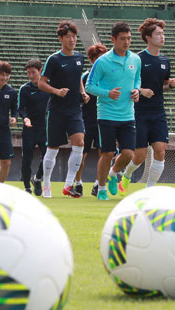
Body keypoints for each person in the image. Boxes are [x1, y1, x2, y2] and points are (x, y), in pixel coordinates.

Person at [85, 21, 141, 201]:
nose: (127, 42)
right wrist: (107, 93)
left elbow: (137, 80)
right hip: (107, 114)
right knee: (107, 153)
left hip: (127, 114)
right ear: (113, 39)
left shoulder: (135, 59)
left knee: (129, 153)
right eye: (123, 39)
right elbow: (89, 86)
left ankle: (113, 172)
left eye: (129, 38)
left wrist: (137, 91)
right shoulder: (102, 61)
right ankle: (101, 188)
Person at [121, 18, 175, 189]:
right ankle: (127, 174)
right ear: (147, 37)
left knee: (160, 151)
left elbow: (162, 84)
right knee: (139, 156)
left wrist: (169, 85)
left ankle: (149, 190)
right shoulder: (137, 59)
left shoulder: (165, 61)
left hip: (158, 111)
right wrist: (141, 90)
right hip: (139, 111)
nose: (162, 37)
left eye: (163, 33)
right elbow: (127, 83)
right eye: (158, 34)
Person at [39, 20, 90, 198]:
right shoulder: (54, 59)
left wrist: (83, 92)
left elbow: (77, 79)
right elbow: (41, 82)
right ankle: (46, 183)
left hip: (74, 109)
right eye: (68, 37)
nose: (72, 40)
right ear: (61, 38)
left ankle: (68, 185)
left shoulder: (79, 58)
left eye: (74, 37)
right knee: (53, 149)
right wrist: (56, 91)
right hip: (56, 110)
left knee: (80, 143)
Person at [75, 43, 107, 197]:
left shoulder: (109, 75)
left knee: (105, 153)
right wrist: (83, 98)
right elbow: (76, 97)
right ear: (93, 59)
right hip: (86, 119)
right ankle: (78, 183)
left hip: (103, 119)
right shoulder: (85, 77)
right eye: (99, 58)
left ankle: (97, 184)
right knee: (82, 153)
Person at [17, 59, 50, 195]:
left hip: (45, 129)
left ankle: (37, 178)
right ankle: (26, 188)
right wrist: (25, 118)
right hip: (29, 129)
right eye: (28, 73)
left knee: (47, 157)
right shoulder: (24, 89)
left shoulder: (48, 87)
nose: (31, 75)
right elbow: (20, 108)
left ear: (40, 71)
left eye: (33, 72)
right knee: (27, 159)